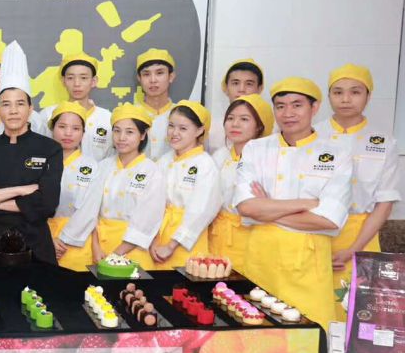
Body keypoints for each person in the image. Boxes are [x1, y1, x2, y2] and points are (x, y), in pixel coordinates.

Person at [235, 77, 352, 329]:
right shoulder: (255, 148)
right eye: (280, 106)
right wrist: (305, 203)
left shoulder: (337, 155)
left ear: (315, 107)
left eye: (297, 105)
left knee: (311, 336)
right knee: (255, 333)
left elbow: (328, 219)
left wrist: (267, 207)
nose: (288, 113)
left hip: (308, 265)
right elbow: (246, 207)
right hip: (261, 258)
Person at [0, 41, 62, 264]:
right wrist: (23, 190)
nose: (13, 110)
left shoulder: (50, 149)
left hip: (36, 243)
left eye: (20, 103)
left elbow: (47, 203)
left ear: (30, 108)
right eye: (6, 104)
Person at [318, 64, 400, 299]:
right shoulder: (312, 134)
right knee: (315, 306)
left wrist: (354, 249)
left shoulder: (383, 142)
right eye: (338, 92)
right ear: (329, 96)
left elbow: (385, 203)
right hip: (316, 234)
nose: (345, 99)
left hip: (363, 236)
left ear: (368, 96)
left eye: (355, 92)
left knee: (359, 309)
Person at [91, 103, 166, 270]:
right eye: (117, 131)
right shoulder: (102, 167)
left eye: (129, 132)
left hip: (134, 250)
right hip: (99, 249)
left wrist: (116, 254)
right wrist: (95, 245)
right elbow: (90, 210)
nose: (121, 137)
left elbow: (148, 218)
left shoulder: (151, 171)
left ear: (143, 135)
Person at [149, 101, 222, 269]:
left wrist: (171, 245)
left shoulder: (205, 164)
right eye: (171, 126)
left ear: (200, 130)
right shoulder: (164, 160)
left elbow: (202, 210)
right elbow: (152, 203)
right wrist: (153, 239)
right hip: (158, 238)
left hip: (187, 242)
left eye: (183, 128)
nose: (174, 133)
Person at [209, 94, 274, 273]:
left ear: (260, 126)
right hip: (217, 236)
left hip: (251, 236)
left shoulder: (268, 160)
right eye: (230, 118)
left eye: (244, 119)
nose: (235, 124)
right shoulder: (219, 156)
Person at [46, 102, 104, 271]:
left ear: (83, 133)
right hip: (43, 237)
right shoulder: (40, 163)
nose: (68, 133)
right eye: (62, 127)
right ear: (52, 129)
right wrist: (47, 238)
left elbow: (90, 209)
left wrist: (63, 240)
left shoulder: (92, 167)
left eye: (76, 128)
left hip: (77, 241)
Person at [42, 53, 113, 162]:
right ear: (63, 81)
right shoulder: (47, 115)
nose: (77, 84)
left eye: (83, 78)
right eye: (70, 78)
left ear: (93, 81)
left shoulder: (107, 119)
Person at [208, 59, 265, 150]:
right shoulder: (211, 129)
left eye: (249, 84)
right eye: (235, 83)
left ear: (260, 89)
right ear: (226, 88)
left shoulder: (273, 129)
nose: (241, 89)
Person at [136, 49, 177, 160]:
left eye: (159, 73)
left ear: (171, 76)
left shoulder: (182, 115)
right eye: (146, 74)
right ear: (139, 78)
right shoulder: (130, 114)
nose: (153, 80)